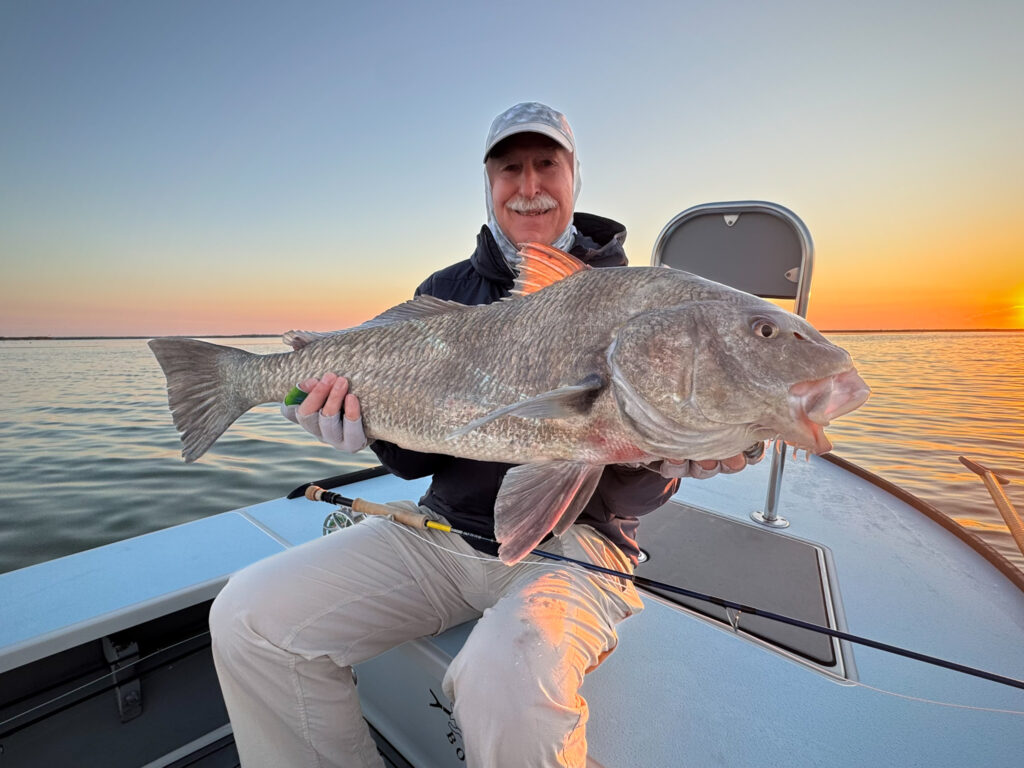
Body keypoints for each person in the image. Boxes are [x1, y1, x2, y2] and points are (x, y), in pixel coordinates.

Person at [209, 102, 762, 768]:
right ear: (489, 184)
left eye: (546, 165)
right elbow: (416, 460)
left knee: (507, 682)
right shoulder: (445, 290)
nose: (528, 185)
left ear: (575, 177)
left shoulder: (637, 296)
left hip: (578, 549)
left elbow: (639, 491)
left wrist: (700, 449)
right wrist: (357, 425)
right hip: (440, 534)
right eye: (510, 168)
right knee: (248, 616)